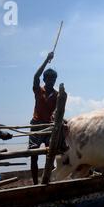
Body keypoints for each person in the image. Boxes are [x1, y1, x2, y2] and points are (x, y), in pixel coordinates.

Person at [30, 52, 58, 185]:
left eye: (53, 79)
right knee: (33, 156)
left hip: (49, 126)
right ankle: (35, 183)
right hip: (36, 125)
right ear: (45, 80)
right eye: (49, 79)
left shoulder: (58, 95)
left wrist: (56, 120)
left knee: (50, 155)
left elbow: (58, 111)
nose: (51, 81)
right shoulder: (38, 90)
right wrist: (47, 59)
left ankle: (48, 180)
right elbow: (36, 76)